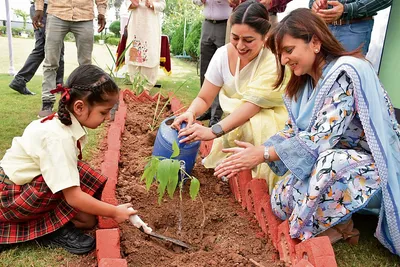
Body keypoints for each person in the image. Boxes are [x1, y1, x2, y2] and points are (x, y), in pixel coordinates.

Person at [215, 8, 400, 256]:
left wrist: (265, 154)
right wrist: (259, 150)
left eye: (289, 51)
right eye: (280, 54)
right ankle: (342, 223)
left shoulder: (344, 73)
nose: (283, 61)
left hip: (374, 166)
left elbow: (322, 138)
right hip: (330, 159)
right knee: (281, 202)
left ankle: (323, 232)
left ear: (315, 42)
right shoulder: (303, 84)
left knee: (329, 163)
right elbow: (292, 132)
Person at [0, 65, 137, 254]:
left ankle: (51, 221)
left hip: (27, 185)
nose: (106, 119)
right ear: (79, 107)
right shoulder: (58, 138)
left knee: (88, 218)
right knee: (80, 197)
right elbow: (73, 197)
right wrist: (114, 211)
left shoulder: (60, 124)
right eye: (103, 112)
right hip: (12, 197)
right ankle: (49, 229)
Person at [172, 1, 288, 192]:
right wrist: (191, 112)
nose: (240, 46)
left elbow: (252, 106)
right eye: (235, 37)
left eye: (248, 40)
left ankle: (262, 186)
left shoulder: (273, 60)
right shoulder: (222, 55)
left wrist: (212, 132)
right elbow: (204, 98)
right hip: (237, 122)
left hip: (271, 122)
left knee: (256, 126)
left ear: (265, 36)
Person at [33, 0, 107, 118]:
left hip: (84, 15)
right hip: (57, 12)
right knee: (51, 62)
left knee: (86, 65)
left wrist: (101, 12)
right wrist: (39, 8)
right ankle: (47, 102)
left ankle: (84, 99)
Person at [9, 0, 64, 96]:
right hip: (44, 9)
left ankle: (58, 84)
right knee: (51, 47)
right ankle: (58, 85)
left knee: (47, 47)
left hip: (48, 9)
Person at [194, 0, 232, 127]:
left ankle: (216, 116)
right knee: (205, 69)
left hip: (224, 24)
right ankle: (206, 109)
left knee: (221, 68)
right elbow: (196, 2)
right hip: (207, 23)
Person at [310, 0, 393, 55]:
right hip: (323, 28)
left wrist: (346, 9)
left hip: (354, 28)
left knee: (347, 76)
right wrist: (315, 4)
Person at [125, 0, 166, 91]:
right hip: (136, 25)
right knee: (134, 55)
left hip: (150, 27)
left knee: (150, 54)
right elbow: (126, 3)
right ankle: (135, 86)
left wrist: (152, 4)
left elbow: (162, 5)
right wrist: (132, 4)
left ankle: (146, 89)